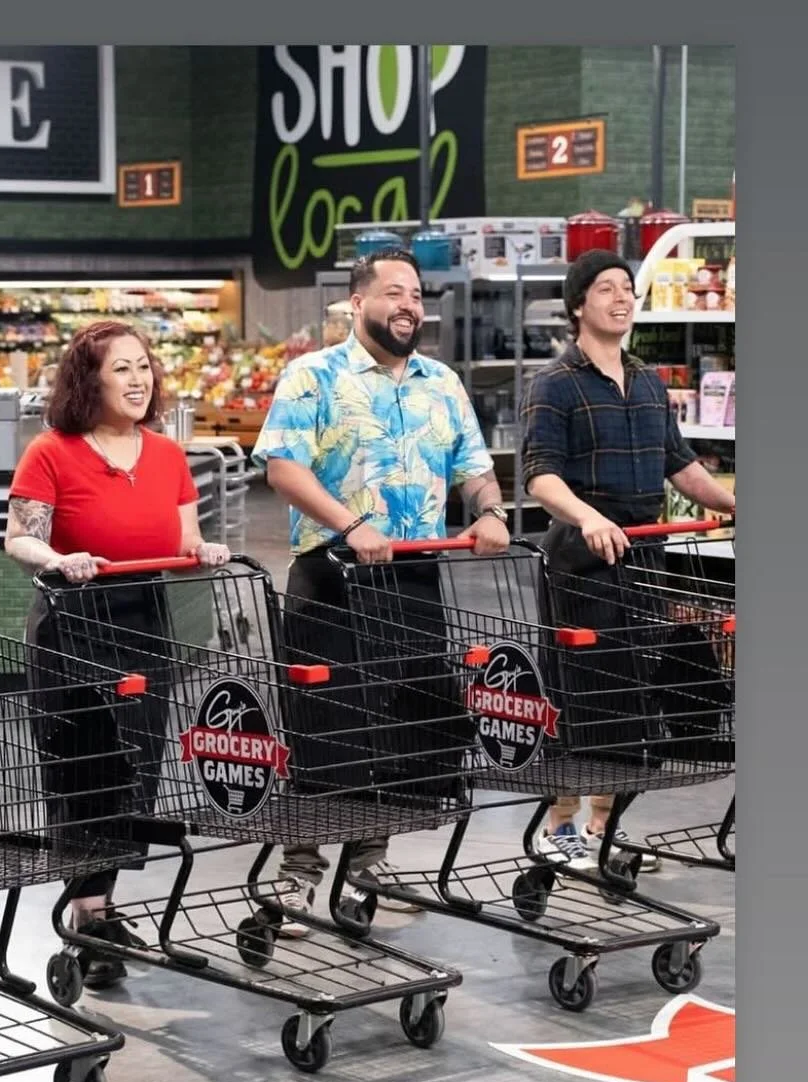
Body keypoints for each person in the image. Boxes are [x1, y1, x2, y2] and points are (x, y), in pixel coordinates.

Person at [252, 247, 509, 934]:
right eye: (394, 292)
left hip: (415, 577)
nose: (408, 306)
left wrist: (489, 510)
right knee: (326, 724)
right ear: (357, 301)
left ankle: (369, 862)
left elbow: (475, 468)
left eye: (417, 296)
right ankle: (298, 876)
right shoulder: (314, 376)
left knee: (407, 720)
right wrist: (350, 523)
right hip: (333, 576)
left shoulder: (441, 383)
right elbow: (282, 467)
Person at [3, 320, 230, 988]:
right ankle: (89, 909)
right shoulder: (51, 451)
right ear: (89, 380)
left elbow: (185, 537)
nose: (138, 380)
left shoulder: (166, 454)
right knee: (81, 769)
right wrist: (58, 558)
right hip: (71, 621)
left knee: (136, 768)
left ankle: (100, 910)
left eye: (144, 367)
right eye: (121, 369)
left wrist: (203, 552)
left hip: (142, 621)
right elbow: (19, 538)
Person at [522, 248, 736, 874]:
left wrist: (732, 502)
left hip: (644, 551)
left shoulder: (646, 381)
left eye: (628, 290)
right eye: (607, 289)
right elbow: (539, 477)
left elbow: (680, 462)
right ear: (578, 305)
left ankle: (602, 824)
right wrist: (588, 516)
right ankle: (559, 824)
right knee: (581, 690)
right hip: (582, 555)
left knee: (633, 689)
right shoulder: (555, 383)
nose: (622, 299)